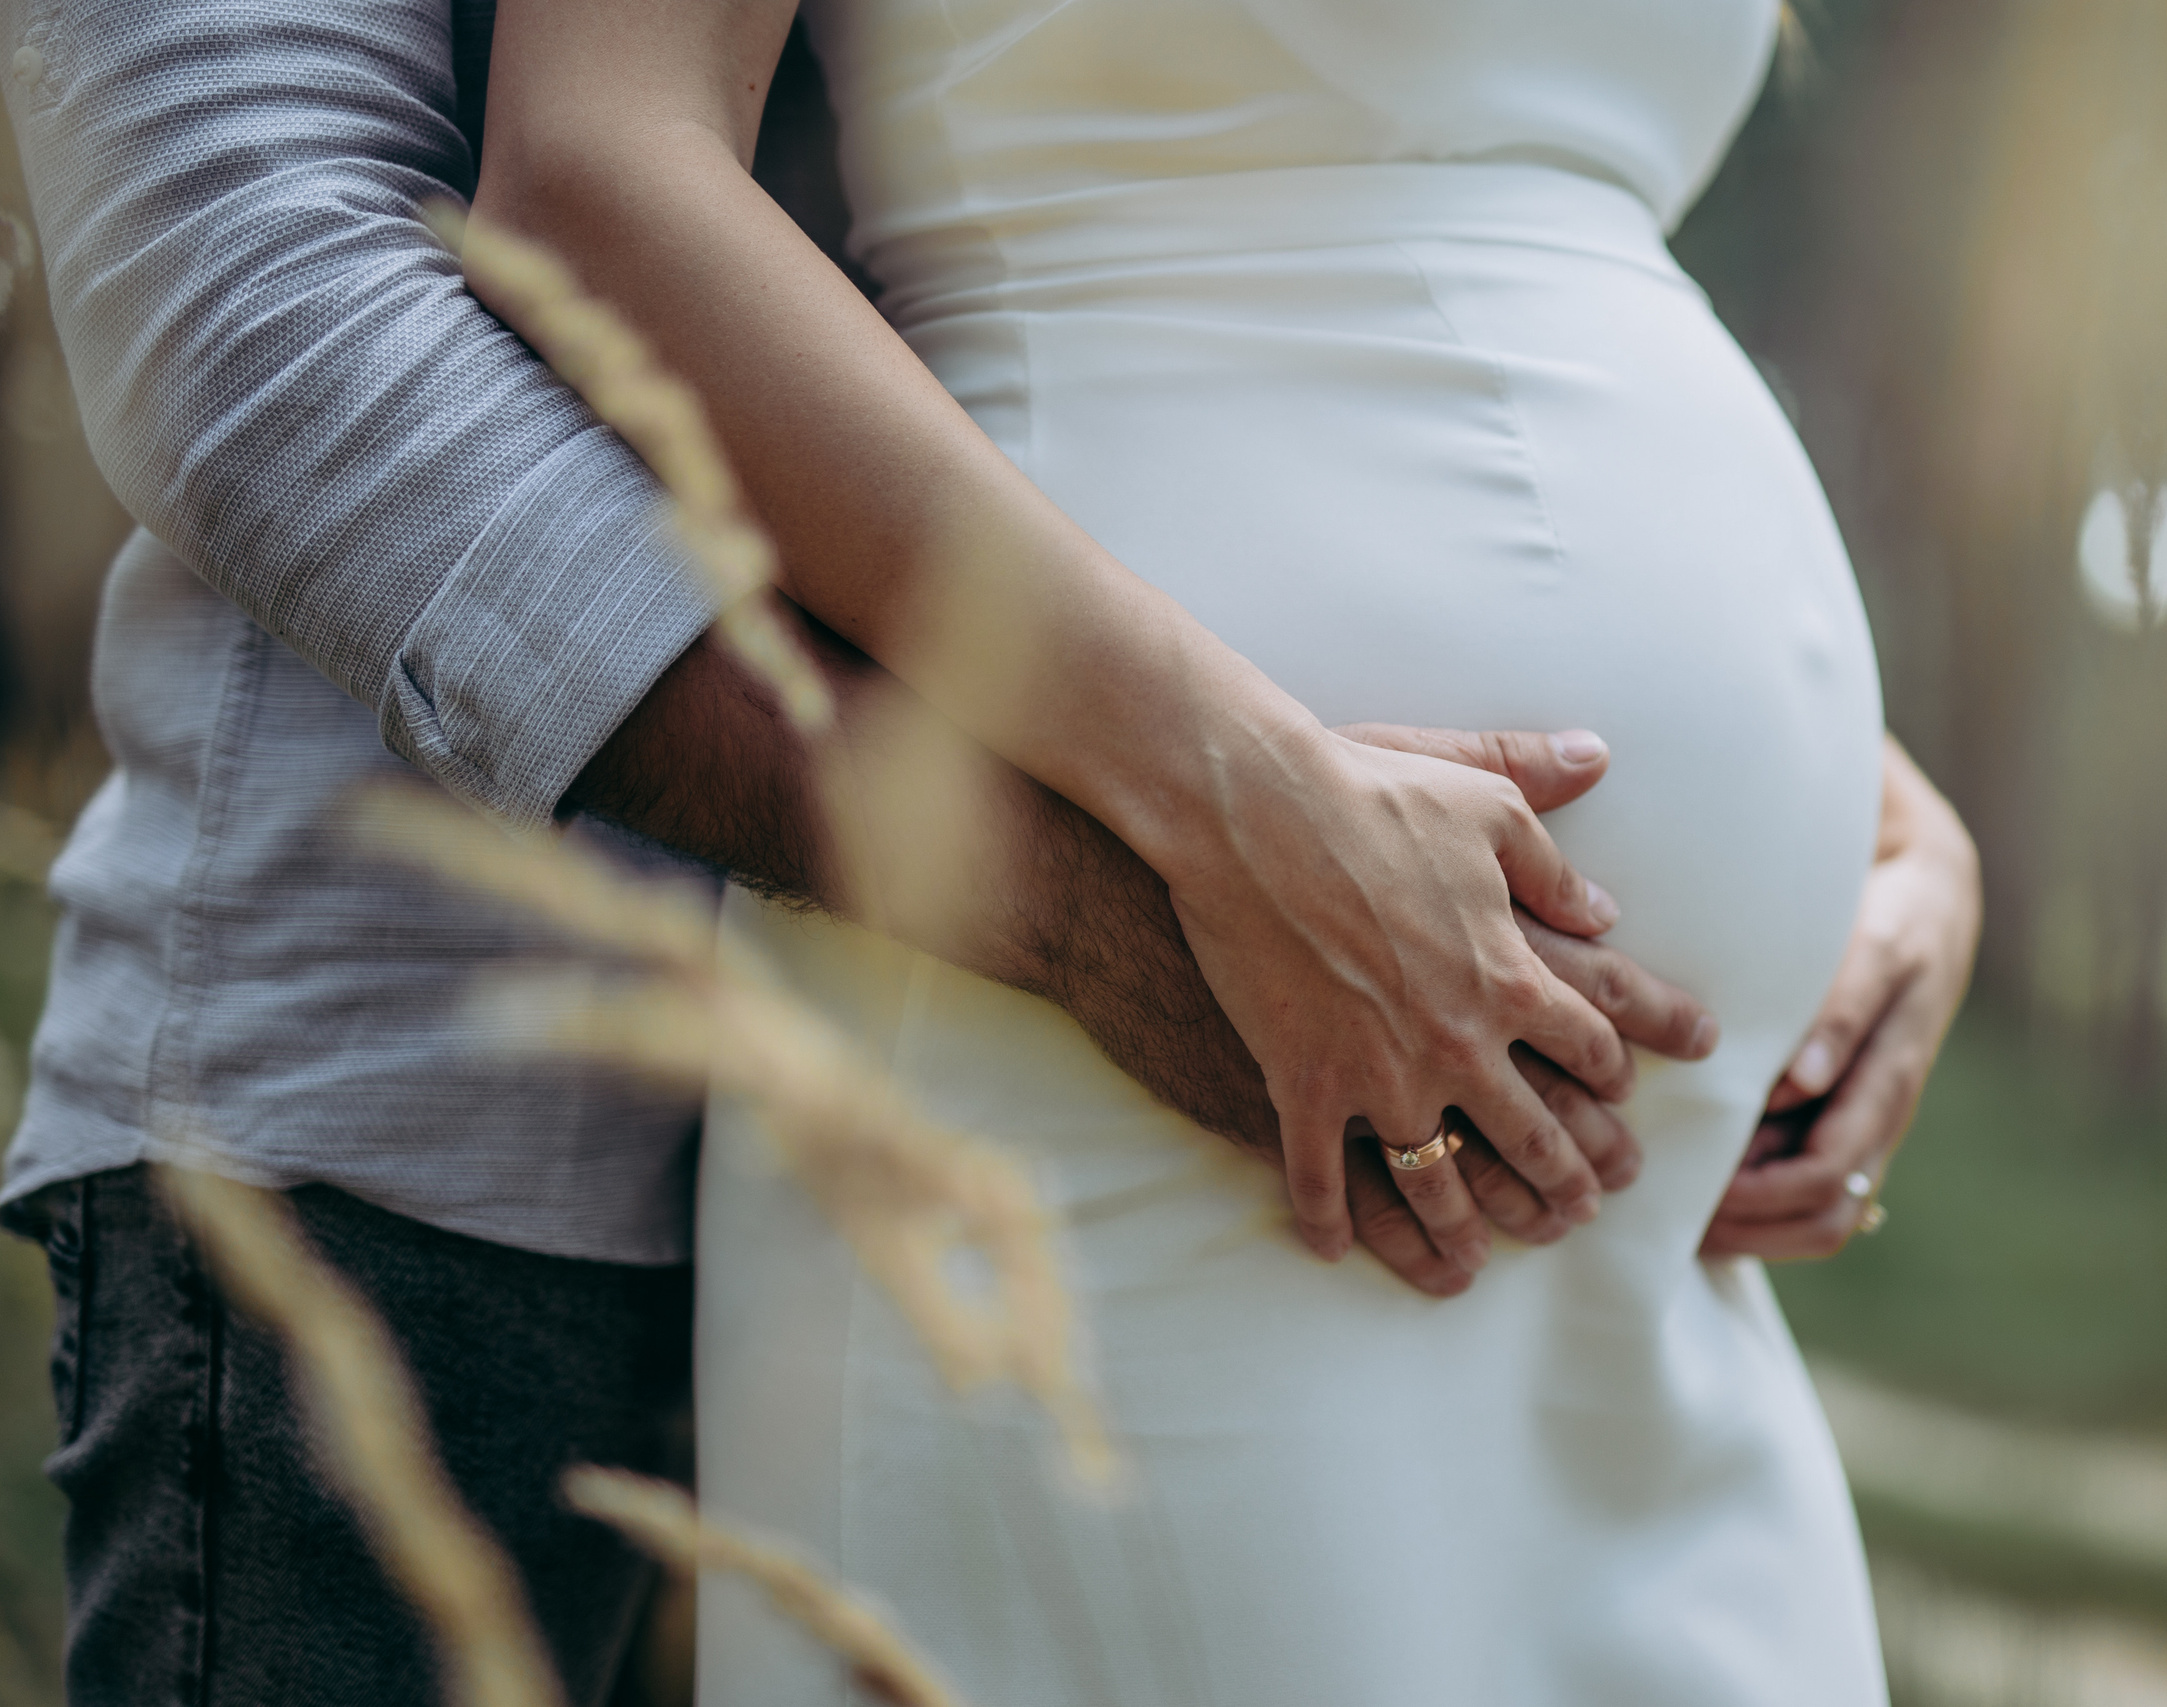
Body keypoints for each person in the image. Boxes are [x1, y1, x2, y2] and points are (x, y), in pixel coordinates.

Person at [0, 4, 1736, 1703]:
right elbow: (255, 305)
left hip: (1065, 1154)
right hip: (442, 1159)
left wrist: (1828, 847)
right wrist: (1092, 903)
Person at [476, 1, 1983, 1703]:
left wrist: (1880, 816)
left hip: (1651, 1231)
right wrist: (1230, 801)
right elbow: (594, 166)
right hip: (1137, 992)